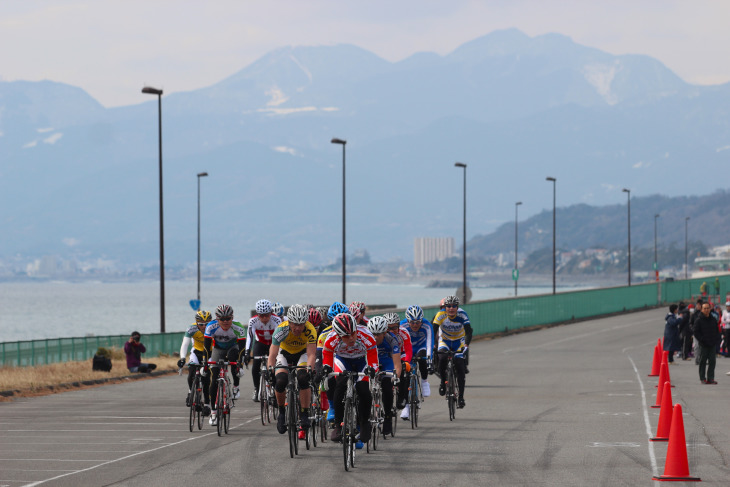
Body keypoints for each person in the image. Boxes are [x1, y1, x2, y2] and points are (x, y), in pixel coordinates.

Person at [321, 313, 378, 444]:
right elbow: (328, 354)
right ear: (338, 334)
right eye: (346, 336)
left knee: (363, 389)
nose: (351, 338)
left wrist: (372, 369)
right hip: (343, 361)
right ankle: (338, 426)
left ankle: (364, 422)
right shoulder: (331, 338)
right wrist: (327, 368)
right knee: (340, 385)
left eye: (353, 333)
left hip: (361, 362)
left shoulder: (366, 334)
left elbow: (372, 356)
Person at [267, 304, 318, 435]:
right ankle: (282, 413)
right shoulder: (281, 329)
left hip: (302, 354)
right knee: (280, 381)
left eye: (301, 324)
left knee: (303, 378)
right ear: (289, 322)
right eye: (294, 324)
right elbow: (272, 354)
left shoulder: (310, 329)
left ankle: (304, 413)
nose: (297, 328)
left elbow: (312, 354)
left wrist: (310, 370)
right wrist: (270, 370)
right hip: (284, 353)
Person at [204, 304, 247, 426]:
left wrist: (240, 366)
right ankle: (213, 412)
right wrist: (205, 364)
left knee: (234, 358)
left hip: (233, 348)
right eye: (222, 319)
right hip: (217, 349)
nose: (226, 321)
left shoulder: (238, 327)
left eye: (228, 318)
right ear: (217, 319)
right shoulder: (211, 326)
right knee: (213, 380)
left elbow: (242, 350)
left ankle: (236, 386)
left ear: (232, 317)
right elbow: (206, 348)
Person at [433, 295, 472, 408]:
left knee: (460, 366)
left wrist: (466, 345)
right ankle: (443, 382)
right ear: (445, 307)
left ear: (457, 307)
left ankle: (461, 397)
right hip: (444, 341)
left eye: (453, 306)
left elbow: (469, 331)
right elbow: (433, 329)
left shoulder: (462, 315)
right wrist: (433, 345)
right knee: (442, 359)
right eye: (448, 306)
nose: (451, 308)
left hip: (458, 342)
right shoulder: (440, 315)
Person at [368, 315, 402, 436]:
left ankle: (387, 416)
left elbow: (397, 364)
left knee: (387, 387)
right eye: (373, 334)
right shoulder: (365, 339)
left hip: (386, 362)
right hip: (371, 362)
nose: (376, 337)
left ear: (385, 332)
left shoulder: (392, 339)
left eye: (379, 334)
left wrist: (395, 378)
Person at [244, 299, 282, 402]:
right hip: (260, 343)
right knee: (255, 365)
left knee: (274, 365)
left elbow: (280, 338)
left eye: (267, 315)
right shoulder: (253, 321)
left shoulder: (277, 320)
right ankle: (257, 389)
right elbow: (249, 337)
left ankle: (274, 389)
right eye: (261, 316)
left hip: (273, 344)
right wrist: (247, 352)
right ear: (257, 314)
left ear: (271, 313)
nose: (264, 318)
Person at [177, 310, 212, 415]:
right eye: (201, 324)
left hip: (210, 353)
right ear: (196, 323)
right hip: (196, 352)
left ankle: (207, 404)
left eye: (207, 324)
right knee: (191, 374)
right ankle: (190, 391)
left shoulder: (214, 329)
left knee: (206, 379)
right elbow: (185, 344)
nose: (204, 326)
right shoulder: (191, 328)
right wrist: (182, 358)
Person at [400, 305, 434, 397]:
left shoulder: (427, 325)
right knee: (405, 370)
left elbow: (429, 342)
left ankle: (424, 381)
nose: (415, 325)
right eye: (412, 322)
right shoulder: (402, 325)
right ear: (407, 320)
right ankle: (406, 406)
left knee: (422, 359)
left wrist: (429, 359)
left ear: (421, 320)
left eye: (418, 322)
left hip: (421, 347)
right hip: (408, 348)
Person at [383, 311, 412, 417]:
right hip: (387, 355)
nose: (391, 331)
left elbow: (408, 350)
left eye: (394, 328)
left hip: (401, 354)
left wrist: (407, 362)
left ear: (399, 326)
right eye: (388, 328)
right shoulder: (382, 334)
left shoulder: (404, 333)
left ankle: (402, 397)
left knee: (405, 370)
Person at [693, 301, 721, 384]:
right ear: (701, 309)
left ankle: (710, 378)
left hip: (712, 344)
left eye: (708, 308)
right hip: (703, 345)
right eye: (704, 308)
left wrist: (716, 339)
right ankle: (702, 378)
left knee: (712, 361)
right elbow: (696, 332)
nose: (706, 310)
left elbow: (717, 330)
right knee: (703, 361)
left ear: (710, 308)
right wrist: (702, 339)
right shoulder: (699, 320)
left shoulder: (713, 319)